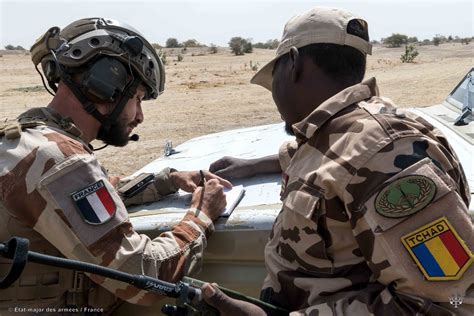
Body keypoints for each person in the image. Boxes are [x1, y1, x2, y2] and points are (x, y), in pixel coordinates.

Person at [204, 6, 473, 315]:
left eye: (273, 75)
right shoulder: (344, 133)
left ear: (293, 64)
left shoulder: (386, 152)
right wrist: (253, 165)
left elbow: (452, 304)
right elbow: (330, 161)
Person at [0, 17, 231, 313]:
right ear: (106, 84)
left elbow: (84, 197)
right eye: (137, 97)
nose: (139, 116)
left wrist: (167, 181)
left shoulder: (27, 140)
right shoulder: (58, 159)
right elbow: (143, 278)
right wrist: (201, 216)